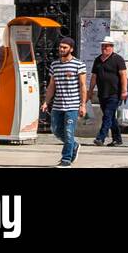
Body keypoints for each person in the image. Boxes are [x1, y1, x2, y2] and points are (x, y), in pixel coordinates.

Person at [40, 36, 87, 168]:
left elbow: (83, 86)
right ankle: (74, 145)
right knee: (55, 130)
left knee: (68, 132)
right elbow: (51, 86)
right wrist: (46, 102)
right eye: (60, 47)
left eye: (64, 47)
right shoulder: (55, 65)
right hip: (57, 105)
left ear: (71, 49)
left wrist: (82, 105)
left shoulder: (79, 64)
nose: (61, 49)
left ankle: (66, 160)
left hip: (72, 105)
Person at [89, 36, 128, 146]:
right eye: (103, 46)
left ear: (112, 47)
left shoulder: (118, 59)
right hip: (102, 93)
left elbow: (123, 75)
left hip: (114, 93)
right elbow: (94, 76)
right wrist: (90, 90)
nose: (104, 48)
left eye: (106, 46)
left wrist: (124, 91)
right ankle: (117, 139)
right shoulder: (98, 60)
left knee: (107, 115)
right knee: (110, 117)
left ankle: (101, 138)